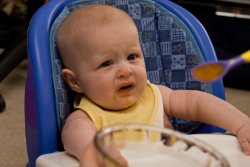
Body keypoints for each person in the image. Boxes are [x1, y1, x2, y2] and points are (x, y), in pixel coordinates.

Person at [56, 4, 250, 167]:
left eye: (132, 57)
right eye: (107, 63)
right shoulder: (86, 117)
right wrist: (96, 154)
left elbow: (199, 103)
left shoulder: (156, 95)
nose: (126, 70)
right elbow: (72, 136)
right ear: (75, 81)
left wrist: (241, 125)